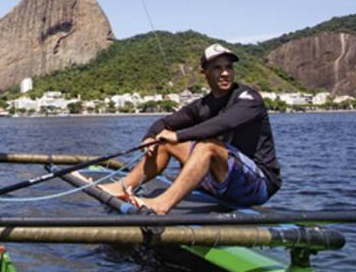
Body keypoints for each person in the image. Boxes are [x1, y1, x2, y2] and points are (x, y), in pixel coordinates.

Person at [101, 43, 281, 214]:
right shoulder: (201, 105)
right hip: (221, 181)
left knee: (207, 146)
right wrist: (150, 137)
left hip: (258, 185)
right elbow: (164, 124)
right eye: (217, 68)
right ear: (204, 72)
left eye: (229, 67)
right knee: (164, 142)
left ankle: (161, 205)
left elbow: (224, 123)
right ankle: (123, 187)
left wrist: (179, 135)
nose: (225, 73)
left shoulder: (249, 98)